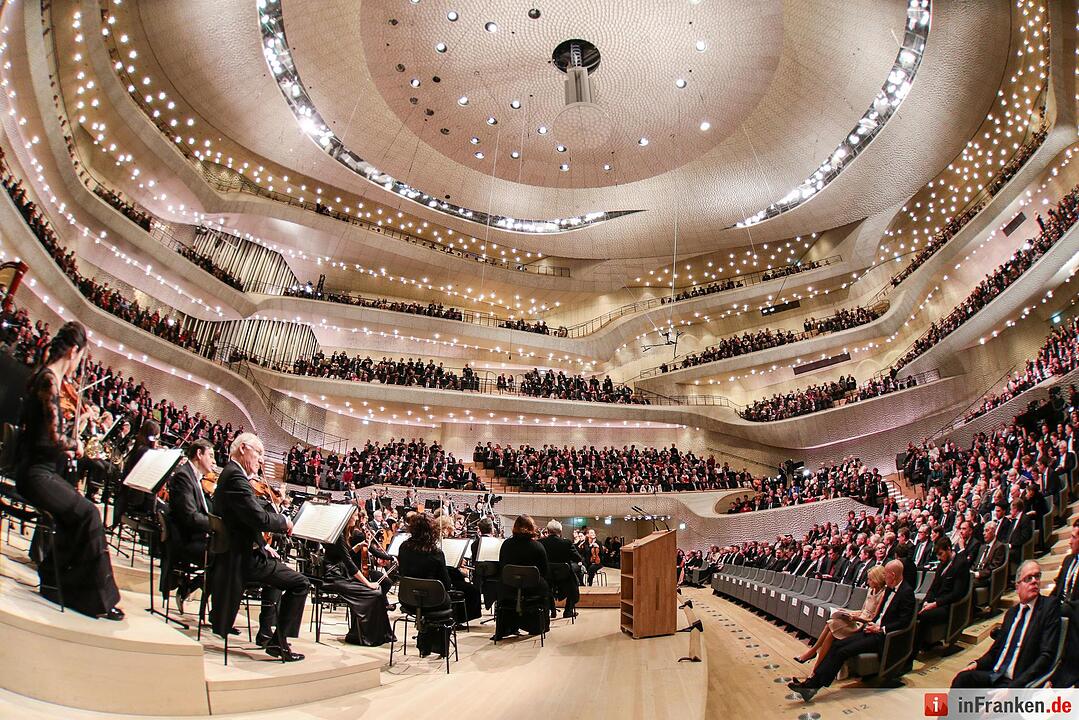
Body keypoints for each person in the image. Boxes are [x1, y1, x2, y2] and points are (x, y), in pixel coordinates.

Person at [14, 321, 122, 619]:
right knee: (89, 513)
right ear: (74, 351)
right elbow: (52, 438)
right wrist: (75, 444)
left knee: (75, 515)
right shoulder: (49, 380)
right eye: (80, 357)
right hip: (36, 473)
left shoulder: (49, 378)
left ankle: (55, 583)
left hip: (42, 470)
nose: (78, 365)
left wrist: (77, 426)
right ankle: (97, 599)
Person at [209, 433, 309, 662]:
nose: (261, 459)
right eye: (259, 453)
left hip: (235, 554)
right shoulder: (236, 477)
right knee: (301, 583)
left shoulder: (231, 474)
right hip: (240, 558)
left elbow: (245, 518)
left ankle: (266, 633)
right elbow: (259, 518)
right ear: (243, 448)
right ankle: (278, 642)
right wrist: (284, 521)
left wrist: (263, 543)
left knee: (278, 570)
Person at [789, 560, 914, 702]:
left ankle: (811, 686)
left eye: (885, 574)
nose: (884, 577)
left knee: (842, 651)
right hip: (871, 630)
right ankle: (811, 682)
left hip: (882, 637)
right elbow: (879, 614)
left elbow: (905, 622)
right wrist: (871, 624)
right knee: (837, 645)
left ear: (893, 575)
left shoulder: (906, 592)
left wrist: (880, 628)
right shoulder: (891, 589)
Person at [951, 560, 1061, 688]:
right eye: (1028, 578)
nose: (1034, 581)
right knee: (962, 679)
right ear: (1017, 586)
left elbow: (1046, 656)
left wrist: (1013, 688)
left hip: (1016, 680)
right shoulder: (1011, 613)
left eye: (1037, 576)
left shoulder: (1049, 606)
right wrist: (976, 664)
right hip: (995, 675)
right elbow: (995, 650)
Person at [794, 565, 887, 674]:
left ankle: (813, 657)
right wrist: (847, 611)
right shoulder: (870, 590)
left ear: (877, 579)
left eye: (870, 579)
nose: (867, 582)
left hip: (863, 624)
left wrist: (855, 618)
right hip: (858, 619)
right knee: (831, 624)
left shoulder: (883, 594)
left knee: (831, 625)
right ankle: (815, 666)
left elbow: (873, 618)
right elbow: (863, 610)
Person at [320, 525, 395, 646]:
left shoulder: (341, 534)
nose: (355, 518)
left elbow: (344, 557)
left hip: (340, 574)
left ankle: (378, 634)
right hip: (334, 577)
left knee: (377, 591)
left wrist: (357, 547)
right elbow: (349, 564)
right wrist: (368, 583)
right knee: (373, 593)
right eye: (354, 516)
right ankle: (362, 636)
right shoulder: (339, 536)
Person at [164, 439, 215, 606]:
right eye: (211, 455)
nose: (214, 461)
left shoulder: (194, 477)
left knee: (230, 554)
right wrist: (218, 526)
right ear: (199, 454)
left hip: (195, 537)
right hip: (186, 541)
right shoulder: (183, 475)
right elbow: (191, 517)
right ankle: (190, 588)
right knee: (228, 557)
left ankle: (189, 588)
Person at [397, 513, 453, 657]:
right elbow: (446, 584)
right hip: (434, 602)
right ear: (432, 530)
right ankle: (439, 646)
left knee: (430, 601)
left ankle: (424, 643)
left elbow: (402, 572)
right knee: (447, 601)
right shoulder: (436, 553)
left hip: (408, 599)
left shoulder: (403, 548)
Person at [495, 514, 550, 640]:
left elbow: (502, 566)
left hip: (509, 588)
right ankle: (539, 625)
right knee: (545, 586)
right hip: (532, 589)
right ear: (532, 528)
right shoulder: (538, 546)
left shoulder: (506, 545)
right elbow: (544, 571)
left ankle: (508, 626)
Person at [915, 537, 970, 652]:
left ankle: (917, 648)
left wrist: (935, 604)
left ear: (949, 549)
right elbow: (933, 588)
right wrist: (926, 601)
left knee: (925, 615)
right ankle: (919, 644)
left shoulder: (960, 563)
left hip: (949, 605)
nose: (939, 558)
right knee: (914, 609)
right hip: (936, 601)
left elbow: (957, 593)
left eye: (941, 554)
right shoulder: (941, 564)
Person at [1049, 519, 1078, 687]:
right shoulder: (1068, 560)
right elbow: (1058, 589)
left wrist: (1065, 608)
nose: (1069, 541)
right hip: (1061, 608)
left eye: (1073, 537)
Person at [539, 519, 582, 619]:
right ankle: (568, 611)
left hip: (547, 577)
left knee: (547, 584)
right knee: (574, 582)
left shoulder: (540, 543)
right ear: (560, 531)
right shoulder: (566, 543)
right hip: (565, 578)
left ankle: (552, 610)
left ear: (548, 531)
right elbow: (578, 558)